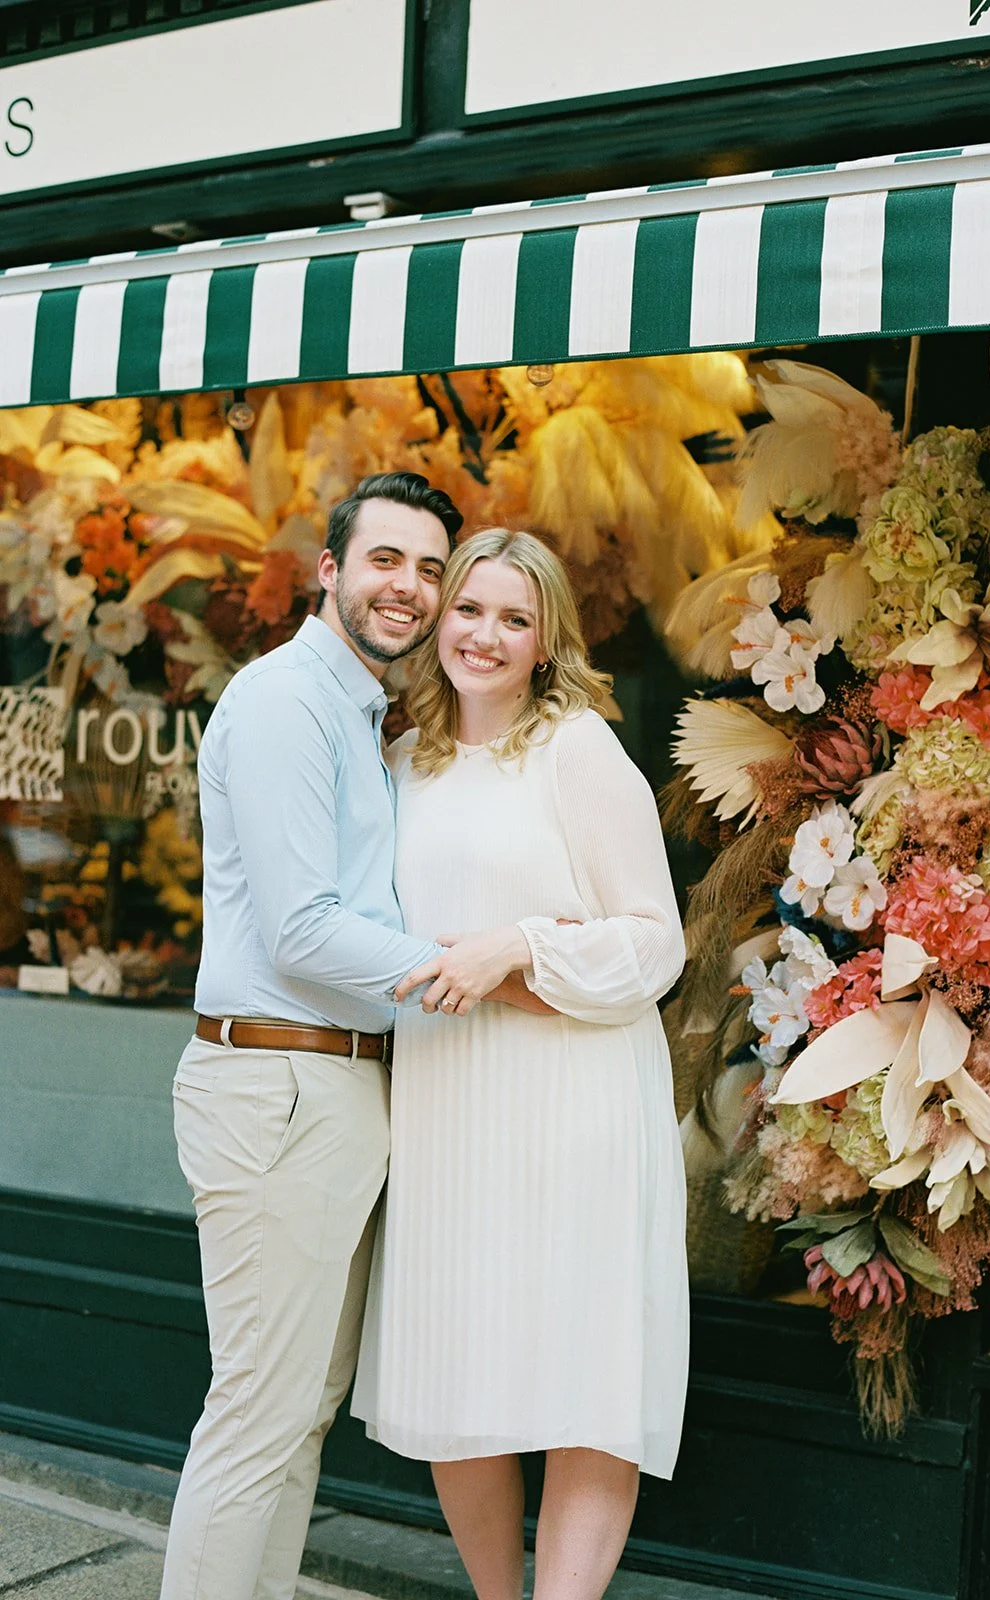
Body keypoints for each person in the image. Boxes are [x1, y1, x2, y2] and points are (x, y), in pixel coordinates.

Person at [351, 529, 690, 1600]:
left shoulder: (576, 749)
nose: (484, 636)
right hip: (450, 1100)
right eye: (468, 609)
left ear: (548, 641)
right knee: (459, 1373)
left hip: (574, 1103)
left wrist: (518, 947)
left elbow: (656, 943)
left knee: (586, 1377)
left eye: (514, 618)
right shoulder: (401, 761)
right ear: (437, 618)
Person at [160, 472, 465, 1600]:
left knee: (298, 1416)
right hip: (278, 1083)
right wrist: (463, 969)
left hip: (330, 1087)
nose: (409, 587)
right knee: (259, 1414)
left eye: (429, 569)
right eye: (386, 560)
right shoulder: (286, 701)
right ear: (330, 570)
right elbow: (300, 928)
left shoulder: (357, 711)